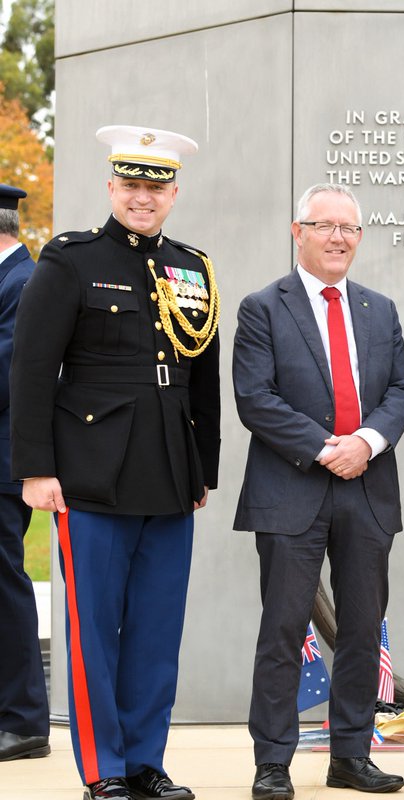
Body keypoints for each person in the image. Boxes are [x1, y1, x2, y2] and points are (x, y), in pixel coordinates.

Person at [10, 126, 220, 800]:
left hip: (168, 471)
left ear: (173, 194)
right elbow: (34, 372)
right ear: (111, 188)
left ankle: (145, 762)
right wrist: (36, 470)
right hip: (90, 473)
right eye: (130, 185)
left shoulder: (192, 268)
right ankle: (103, 769)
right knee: (94, 632)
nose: (142, 197)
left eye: (155, 187)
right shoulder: (70, 261)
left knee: (157, 631)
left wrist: (203, 469)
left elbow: (203, 378)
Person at [233, 183, 404, 800]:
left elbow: (401, 391)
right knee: (284, 629)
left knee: (364, 629)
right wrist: (325, 448)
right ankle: (273, 761)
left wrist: (364, 442)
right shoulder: (264, 307)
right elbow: (255, 398)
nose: (338, 238)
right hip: (292, 488)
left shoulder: (380, 309)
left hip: (367, 488)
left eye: (349, 229)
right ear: (298, 231)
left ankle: (351, 756)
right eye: (325, 225)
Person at [0, 183, 50, 764]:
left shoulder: (23, 281)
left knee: (4, 586)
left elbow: (8, 372)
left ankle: (22, 719)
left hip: (2, 463)